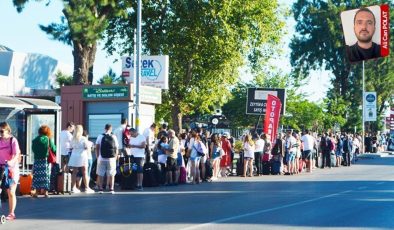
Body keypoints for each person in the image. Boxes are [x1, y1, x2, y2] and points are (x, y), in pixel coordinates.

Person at [0, 122, 21, 220]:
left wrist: (11, 161)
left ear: (8, 130)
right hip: (1, 168)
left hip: (11, 169)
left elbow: (16, 154)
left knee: (11, 191)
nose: (0, 133)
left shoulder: (13, 140)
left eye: (1, 131)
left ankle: (12, 213)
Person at [31, 125, 56, 198]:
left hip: (37, 160)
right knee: (46, 175)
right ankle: (46, 192)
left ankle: (36, 192)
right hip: (45, 160)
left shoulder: (35, 140)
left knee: (37, 175)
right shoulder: (48, 139)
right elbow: (54, 149)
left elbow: (33, 149)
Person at [68, 125, 94, 194]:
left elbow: (70, 147)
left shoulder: (73, 138)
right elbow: (87, 147)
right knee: (84, 172)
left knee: (74, 172)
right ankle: (87, 188)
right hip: (82, 155)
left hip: (74, 155)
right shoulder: (83, 138)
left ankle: (73, 187)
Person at [95, 124, 119, 194]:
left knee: (100, 174)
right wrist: (115, 157)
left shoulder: (100, 136)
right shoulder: (114, 136)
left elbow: (97, 147)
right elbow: (116, 148)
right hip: (111, 159)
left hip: (101, 159)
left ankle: (100, 188)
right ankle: (111, 189)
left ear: (104, 129)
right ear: (111, 129)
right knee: (111, 174)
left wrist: (97, 157)